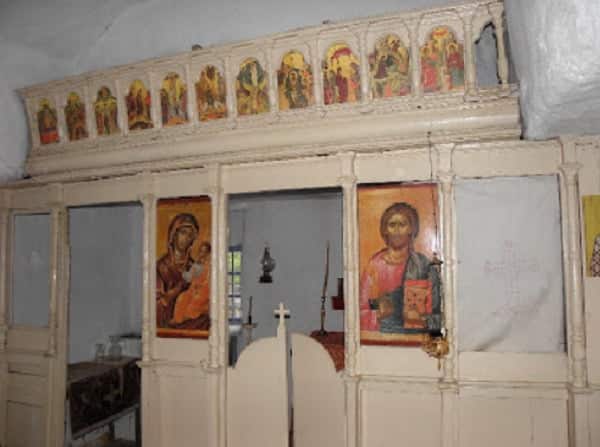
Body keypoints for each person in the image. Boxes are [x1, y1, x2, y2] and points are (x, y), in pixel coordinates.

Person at [359, 202, 440, 334]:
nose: (396, 230)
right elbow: (360, 310)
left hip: (416, 340)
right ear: (385, 229)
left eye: (402, 225)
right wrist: (378, 313)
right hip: (382, 338)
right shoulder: (374, 265)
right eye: (392, 225)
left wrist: (421, 319)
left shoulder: (423, 265)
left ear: (411, 229)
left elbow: (440, 316)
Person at [156, 213, 210, 330]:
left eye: (190, 235)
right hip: (168, 325)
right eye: (183, 232)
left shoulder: (193, 266)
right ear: (174, 234)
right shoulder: (162, 266)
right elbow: (157, 305)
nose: (186, 238)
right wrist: (178, 289)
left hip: (191, 318)